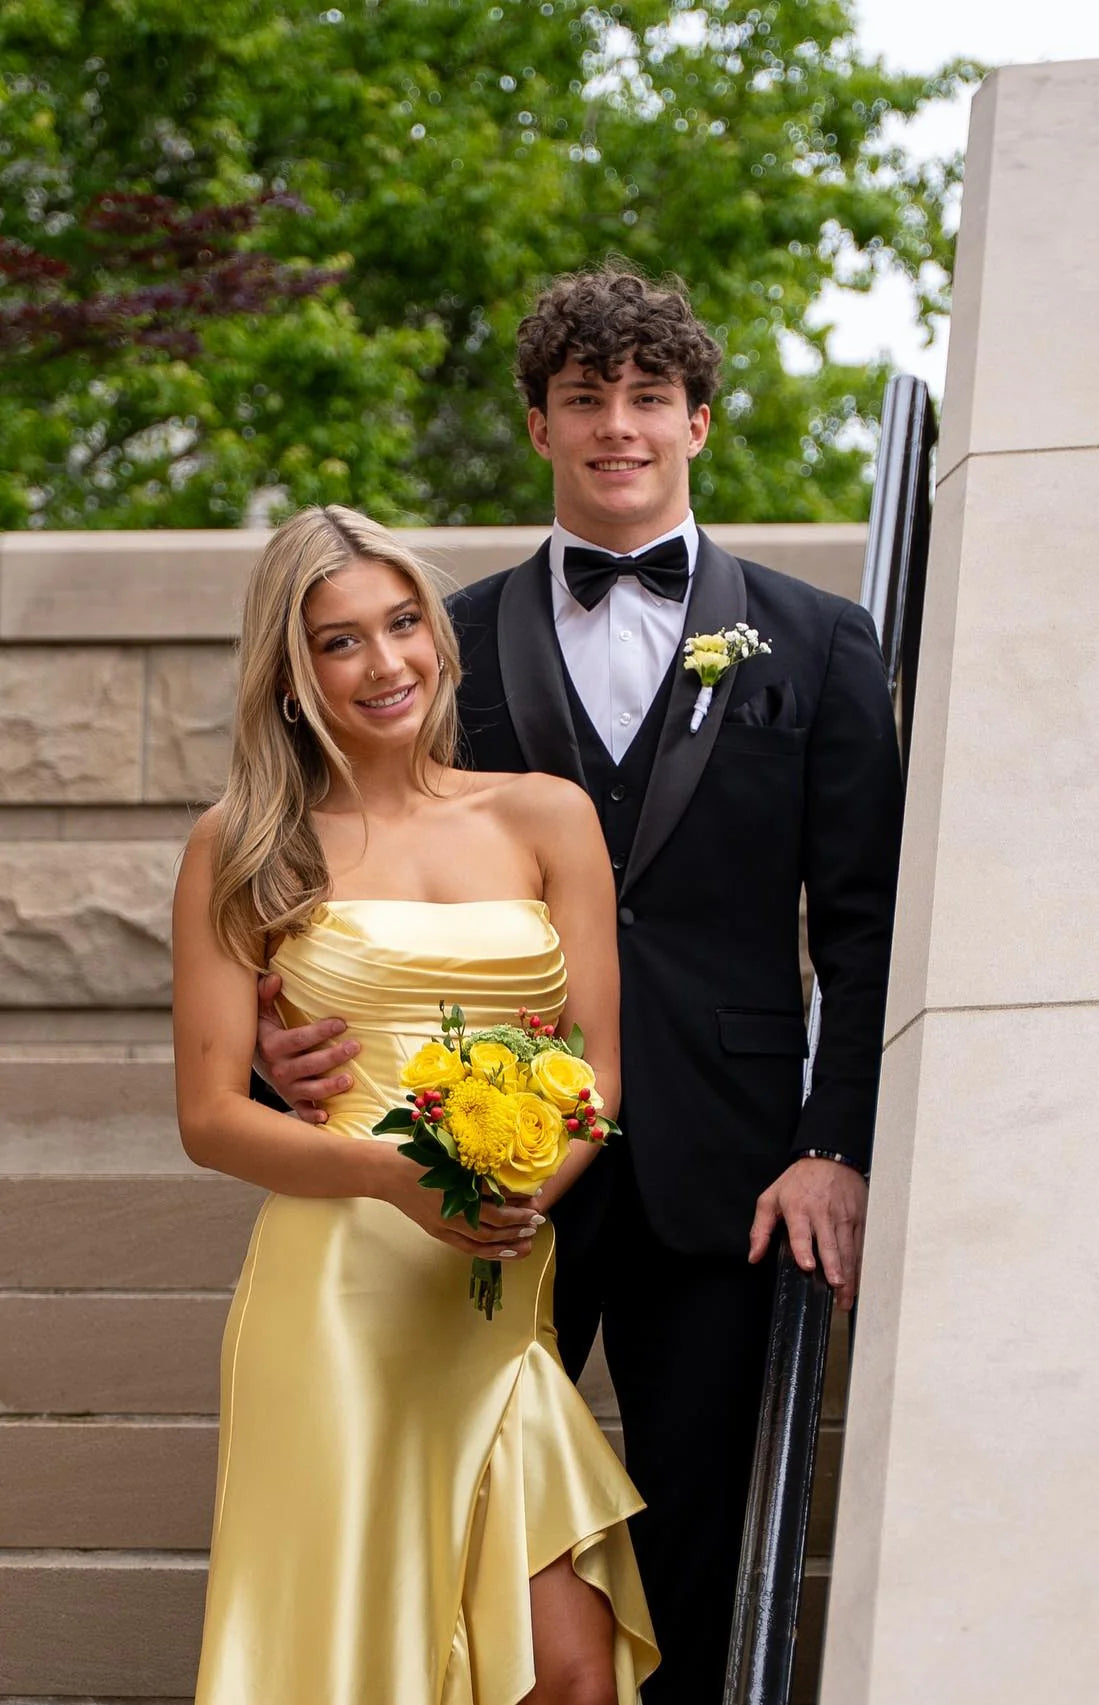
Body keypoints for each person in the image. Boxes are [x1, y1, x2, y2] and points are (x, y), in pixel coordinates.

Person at [257, 270, 903, 1703]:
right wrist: (269, 1048)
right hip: (473, 1160)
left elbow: (866, 932)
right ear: (537, 425)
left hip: (730, 1168)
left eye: (648, 398)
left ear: (698, 423)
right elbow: (318, 862)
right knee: (464, 1523)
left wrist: (833, 1144)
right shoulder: (435, 640)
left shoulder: (817, 641)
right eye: (584, 398)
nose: (618, 426)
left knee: (697, 1537)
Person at [172, 504, 658, 1704]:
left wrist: (511, 1197)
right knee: (361, 1656)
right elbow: (210, 1117)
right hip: (338, 1296)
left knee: (572, 1673)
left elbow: (597, 1071)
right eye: (338, 641)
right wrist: (399, 1177)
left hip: (496, 1279)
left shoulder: (546, 814)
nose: (384, 662)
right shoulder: (243, 846)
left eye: (401, 624)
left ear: (438, 637)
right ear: (291, 676)